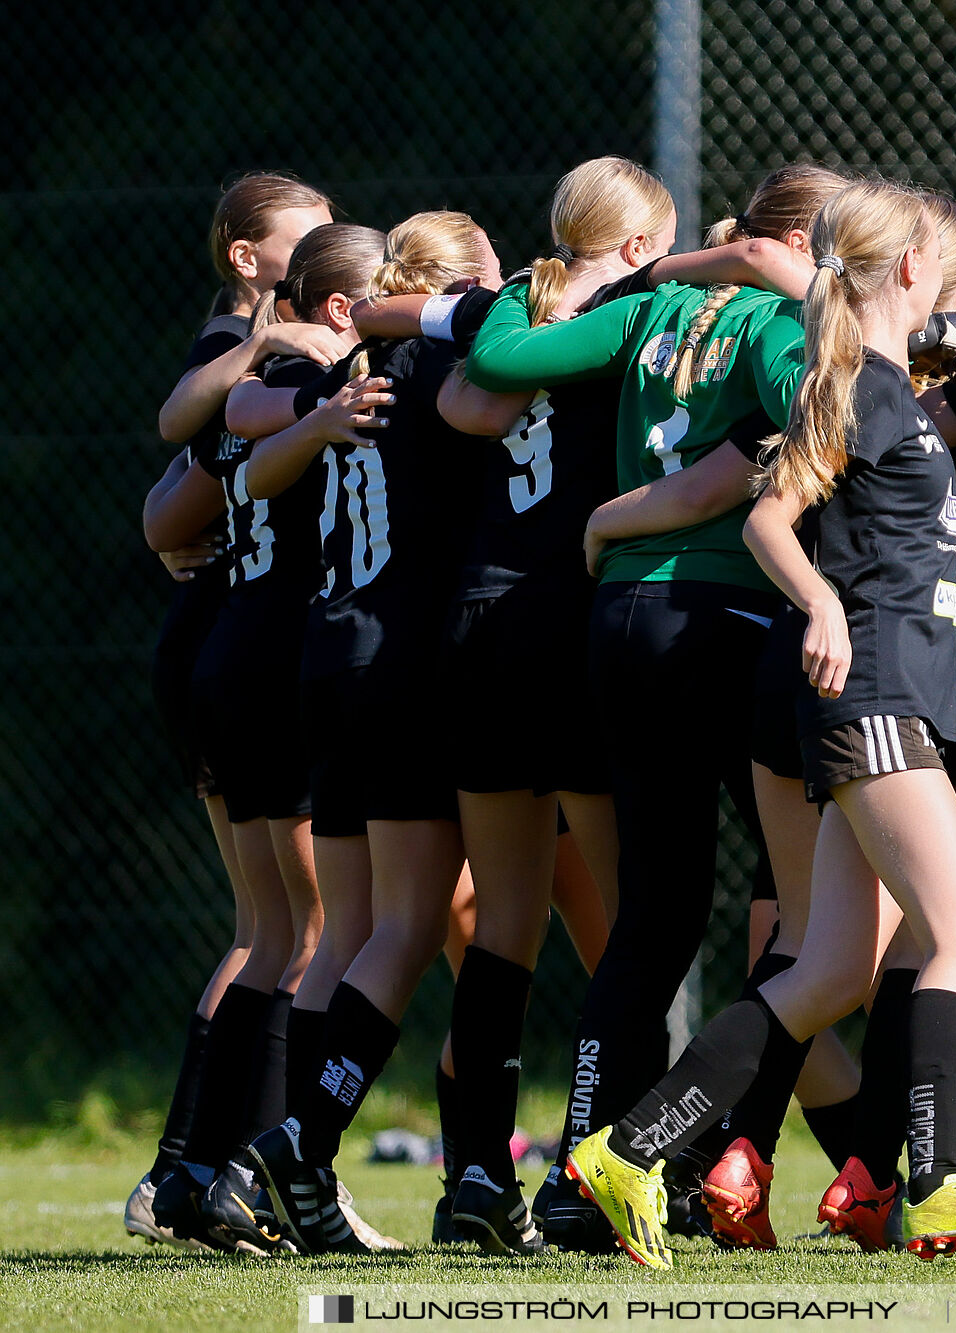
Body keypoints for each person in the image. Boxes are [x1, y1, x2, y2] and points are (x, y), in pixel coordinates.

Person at [564, 179, 956, 1269]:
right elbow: (768, 520)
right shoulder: (864, 384)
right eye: (941, 263)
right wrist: (825, 605)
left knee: (830, 969)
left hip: (878, 695)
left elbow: (880, 525)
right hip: (878, 694)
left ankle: (627, 1151)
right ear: (909, 273)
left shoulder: (875, 386)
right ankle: (937, 1185)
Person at [457, 163, 850, 1251]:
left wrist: (518, 284)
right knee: (793, 911)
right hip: (724, 621)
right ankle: (711, 1157)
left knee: (655, 917)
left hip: (620, 617)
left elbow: (499, 357)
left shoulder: (652, 306)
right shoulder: (778, 317)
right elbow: (821, 413)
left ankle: (584, 1178)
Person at [240, 211, 520, 1255]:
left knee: (354, 930)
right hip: (403, 663)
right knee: (408, 926)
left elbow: (250, 435)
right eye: (487, 274)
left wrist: (305, 395)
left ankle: (291, 1169)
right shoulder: (441, 356)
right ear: (452, 283)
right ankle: (302, 1139)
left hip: (330, 654)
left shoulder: (352, 361)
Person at [127, 171, 334, 1249]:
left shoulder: (264, 355)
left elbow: (169, 506)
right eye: (303, 239)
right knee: (305, 932)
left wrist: (171, 520)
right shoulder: (258, 347)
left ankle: (185, 1172)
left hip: (219, 647)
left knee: (271, 928)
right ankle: (247, 1177)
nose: (325, 249)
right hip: (249, 647)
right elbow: (182, 482)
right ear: (248, 257)